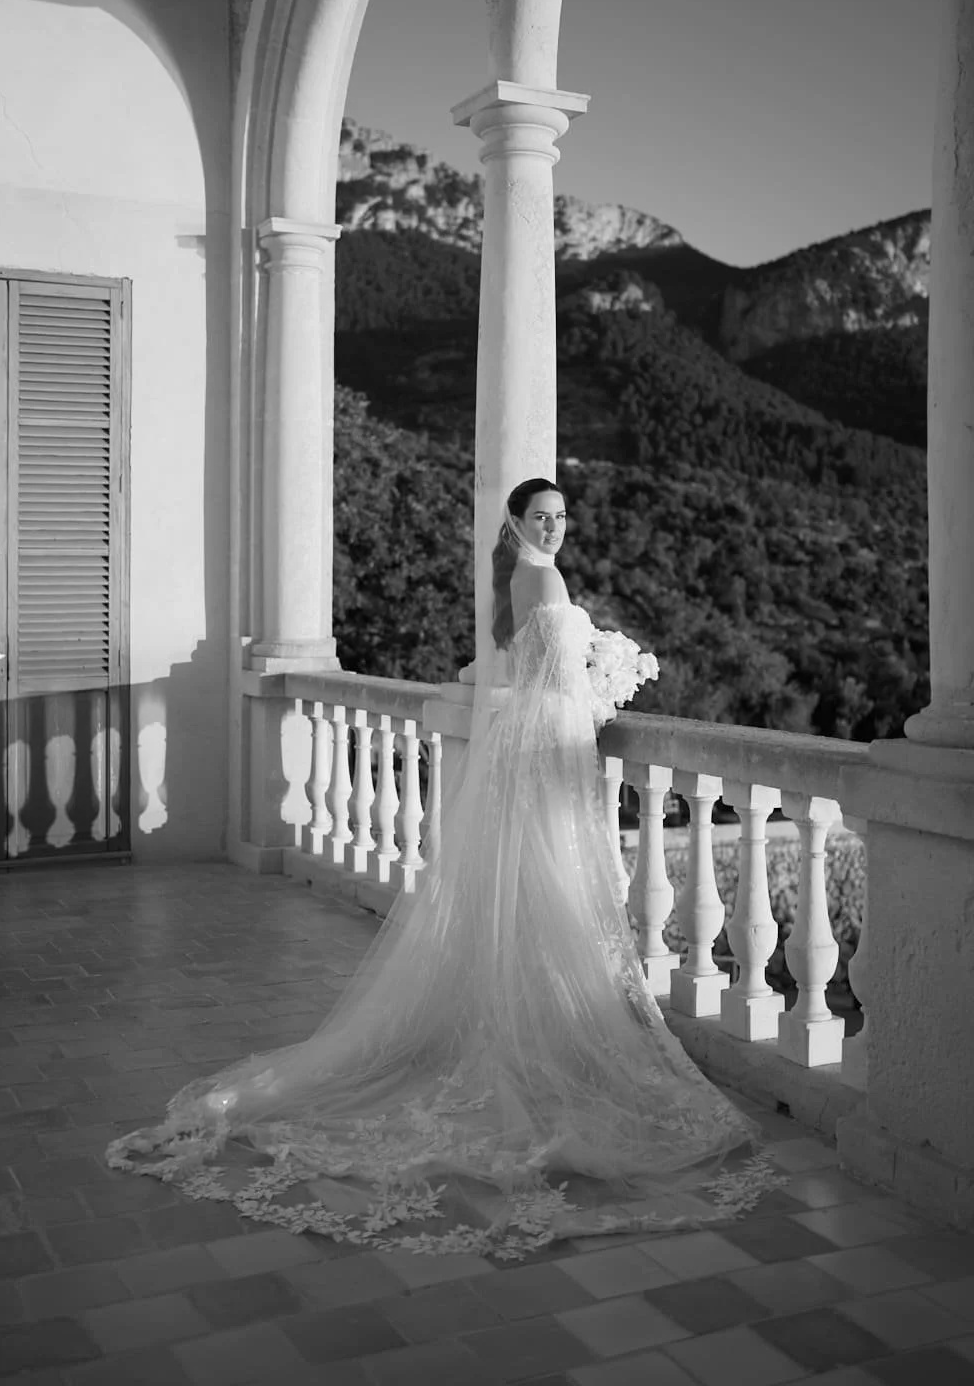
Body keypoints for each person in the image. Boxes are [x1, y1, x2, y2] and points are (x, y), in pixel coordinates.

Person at [108, 479, 779, 1258]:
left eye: (563, 518)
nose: (556, 528)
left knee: (524, 897)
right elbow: (557, 681)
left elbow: (523, 671)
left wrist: (592, 682)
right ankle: (544, 1046)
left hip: (523, 748)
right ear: (518, 522)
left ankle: (530, 1035)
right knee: (552, 895)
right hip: (549, 749)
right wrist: (603, 689)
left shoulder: (511, 579)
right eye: (542, 517)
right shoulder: (544, 578)